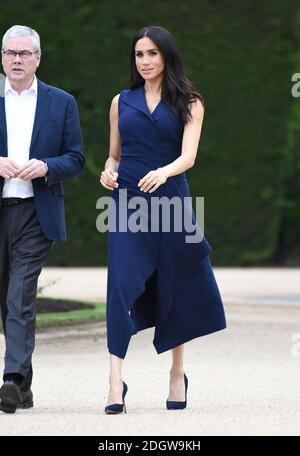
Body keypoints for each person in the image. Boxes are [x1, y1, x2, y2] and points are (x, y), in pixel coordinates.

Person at [99, 25, 226, 414]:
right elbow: (114, 155)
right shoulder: (121, 101)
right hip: (128, 203)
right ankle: (115, 381)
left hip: (171, 200)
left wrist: (164, 172)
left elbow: (189, 156)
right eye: (139, 54)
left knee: (174, 285)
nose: (145, 61)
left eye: (152, 53)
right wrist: (107, 171)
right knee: (120, 285)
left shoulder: (190, 101)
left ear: (166, 56)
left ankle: (176, 372)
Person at [0, 25, 84, 413]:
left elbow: (76, 158)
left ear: (37, 58)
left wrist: (45, 167)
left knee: (19, 296)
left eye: (24, 53)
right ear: (2, 57)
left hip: (36, 213)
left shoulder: (61, 102)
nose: (16, 60)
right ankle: (25, 386)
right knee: (7, 299)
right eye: (10, 53)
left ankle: (11, 380)